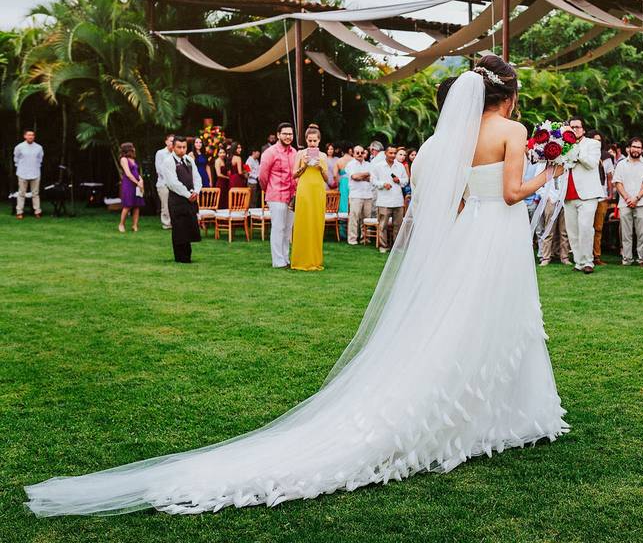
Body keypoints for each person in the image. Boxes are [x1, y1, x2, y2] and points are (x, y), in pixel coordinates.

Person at [24, 55, 571, 517]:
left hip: (465, 234)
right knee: (498, 315)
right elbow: (509, 192)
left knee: (459, 318)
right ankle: (502, 412)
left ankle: (488, 410)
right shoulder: (513, 131)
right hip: (496, 231)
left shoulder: (453, 137)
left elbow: (444, 193)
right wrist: (553, 171)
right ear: (511, 95)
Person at [562, 117, 604, 274]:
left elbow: (591, 163)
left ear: (583, 129)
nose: (574, 130)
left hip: (588, 194)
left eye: (577, 127)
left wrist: (575, 150)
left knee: (586, 228)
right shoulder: (563, 146)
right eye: (571, 127)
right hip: (568, 193)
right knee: (572, 231)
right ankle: (578, 262)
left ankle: (588, 262)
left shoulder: (593, 144)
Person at [157, 136, 202, 263]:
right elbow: (172, 183)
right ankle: (180, 257)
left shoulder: (189, 160)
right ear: (173, 147)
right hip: (177, 200)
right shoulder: (168, 161)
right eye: (179, 147)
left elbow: (197, 177)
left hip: (190, 199)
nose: (182, 150)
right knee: (179, 228)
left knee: (189, 226)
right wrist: (188, 195)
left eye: (184, 147)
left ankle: (187, 256)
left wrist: (196, 191)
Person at [290, 126, 329, 271]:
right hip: (304, 189)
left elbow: (326, 179)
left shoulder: (323, 156)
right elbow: (294, 175)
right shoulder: (300, 154)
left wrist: (320, 167)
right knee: (302, 222)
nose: (312, 143)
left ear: (319, 141)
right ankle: (300, 260)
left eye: (315, 140)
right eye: (310, 140)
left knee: (317, 223)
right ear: (306, 140)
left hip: (318, 190)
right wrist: (304, 165)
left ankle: (315, 260)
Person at [259, 123, 298, 268]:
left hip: (291, 196)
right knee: (278, 227)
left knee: (288, 229)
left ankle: (286, 258)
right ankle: (278, 261)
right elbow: (262, 176)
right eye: (285, 134)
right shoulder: (270, 152)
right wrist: (268, 189)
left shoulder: (295, 153)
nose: (288, 137)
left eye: (290, 134)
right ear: (278, 135)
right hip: (276, 195)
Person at [613, 137, 643, 266]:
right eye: (634, 146)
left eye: (639, 147)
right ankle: (627, 259)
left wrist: (636, 198)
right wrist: (628, 198)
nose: (636, 149)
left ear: (642, 150)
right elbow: (618, 183)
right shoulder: (621, 164)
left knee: (642, 233)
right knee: (626, 233)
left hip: (642, 202)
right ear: (629, 148)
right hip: (625, 203)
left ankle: (642, 259)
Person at [372, 144, 409, 253]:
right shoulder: (378, 166)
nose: (393, 155)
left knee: (398, 225)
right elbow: (373, 181)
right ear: (385, 153)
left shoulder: (400, 166)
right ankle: (383, 246)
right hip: (384, 200)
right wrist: (383, 184)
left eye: (394, 153)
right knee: (382, 225)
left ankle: (396, 247)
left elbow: (406, 180)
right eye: (391, 153)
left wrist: (400, 181)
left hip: (397, 200)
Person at [590, 131, 614, 265]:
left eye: (599, 140)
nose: (597, 142)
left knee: (598, 228)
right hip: (588, 195)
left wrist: (610, 194)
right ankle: (586, 255)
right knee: (587, 226)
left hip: (602, 195)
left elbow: (610, 177)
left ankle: (596, 256)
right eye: (594, 140)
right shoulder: (586, 154)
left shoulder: (606, 157)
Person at [345, 145, 373, 245]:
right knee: (354, 218)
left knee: (366, 219)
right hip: (355, 195)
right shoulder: (350, 165)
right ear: (353, 153)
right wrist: (366, 174)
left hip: (368, 194)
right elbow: (355, 177)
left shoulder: (369, 164)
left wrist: (361, 175)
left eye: (362, 152)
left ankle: (365, 238)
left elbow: (371, 178)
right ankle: (352, 239)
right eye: (357, 152)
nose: (360, 154)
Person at [14, 129, 44, 219]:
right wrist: (21, 167)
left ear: (34, 137)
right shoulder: (19, 147)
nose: (31, 137)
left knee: (35, 193)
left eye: (32, 135)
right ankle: (19, 212)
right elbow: (16, 158)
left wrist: (36, 166)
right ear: (25, 136)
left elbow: (40, 158)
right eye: (29, 135)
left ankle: (37, 211)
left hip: (35, 172)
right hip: (22, 173)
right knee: (21, 193)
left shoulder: (39, 147)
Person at [118, 142, 145, 233]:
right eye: (132, 147)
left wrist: (141, 180)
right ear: (128, 149)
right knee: (128, 205)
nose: (134, 149)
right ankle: (121, 224)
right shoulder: (124, 159)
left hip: (137, 184)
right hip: (129, 184)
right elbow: (128, 174)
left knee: (137, 205)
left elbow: (136, 172)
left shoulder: (133, 159)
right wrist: (137, 183)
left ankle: (135, 225)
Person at [154, 134, 174, 229]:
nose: (172, 143)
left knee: (174, 204)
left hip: (175, 183)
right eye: (170, 140)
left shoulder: (176, 153)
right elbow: (159, 169)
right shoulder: (160, 153)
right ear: (166, 142)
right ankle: (166, 223)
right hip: (163, 183)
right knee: (165, 204)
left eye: (173, 141)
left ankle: (175, 222)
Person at [334, 145, 354, 238]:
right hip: (353, 182)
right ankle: (353, 230)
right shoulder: (354, 160)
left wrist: (338, 183)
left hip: (343, 183)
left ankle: (342, 232)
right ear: (350, 150)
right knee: (353, 204)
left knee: (343, 204)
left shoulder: (339, 161)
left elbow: (335, 175)